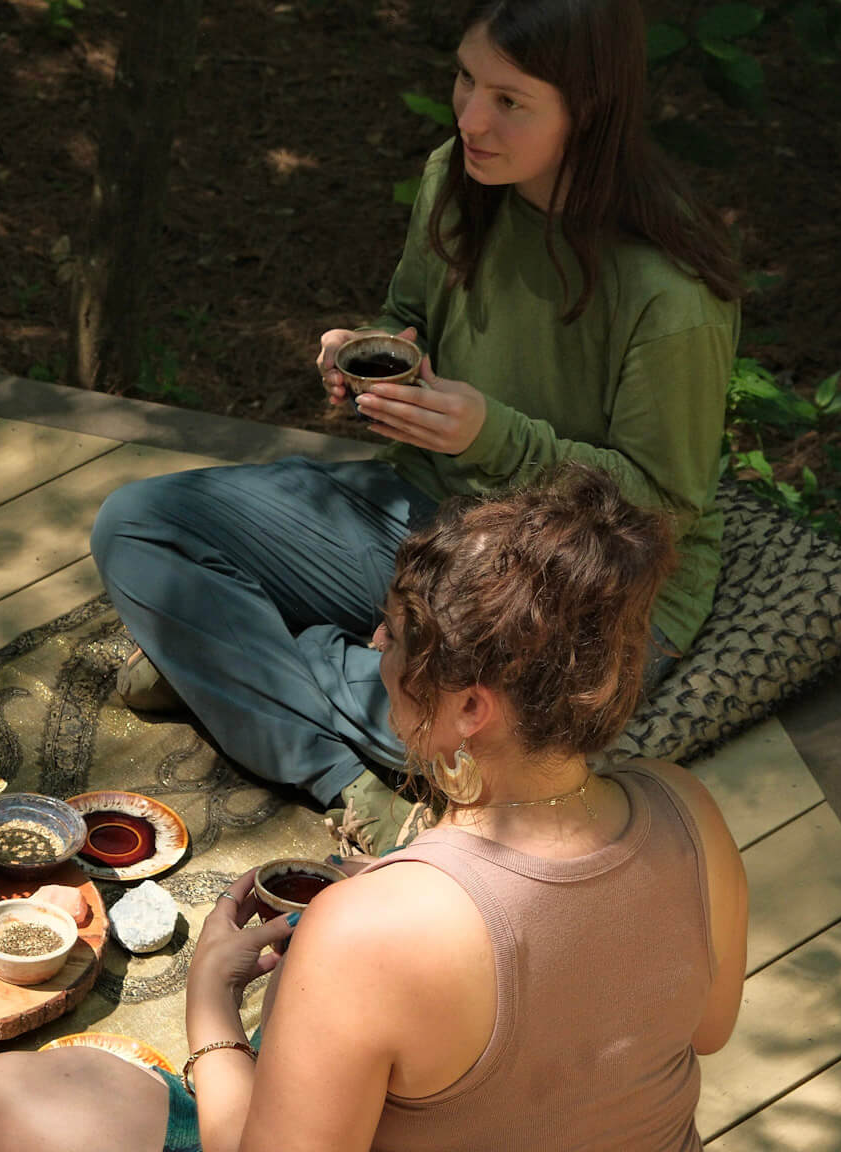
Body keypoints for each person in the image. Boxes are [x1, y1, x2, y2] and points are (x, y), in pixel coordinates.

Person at [90, 0, 741, 853]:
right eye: (466, 79)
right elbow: (411, 317)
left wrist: (492, 435)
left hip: (582, 585)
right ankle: (342, 769)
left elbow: (661, 508)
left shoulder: (670, 291)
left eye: (511, 100)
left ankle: (237, 664)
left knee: (493, 721)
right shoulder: (457, 178)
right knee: (140, 527)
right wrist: (382, 360)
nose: (471, 117)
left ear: (592, 111)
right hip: (426, 511)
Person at [0, 464, 749, 1151]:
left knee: (10, 1095)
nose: (375, 646)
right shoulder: (688, 809)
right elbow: (706, 1029)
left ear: (470, 709)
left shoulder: (369, 932)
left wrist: (211, 1008)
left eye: (398, 639)